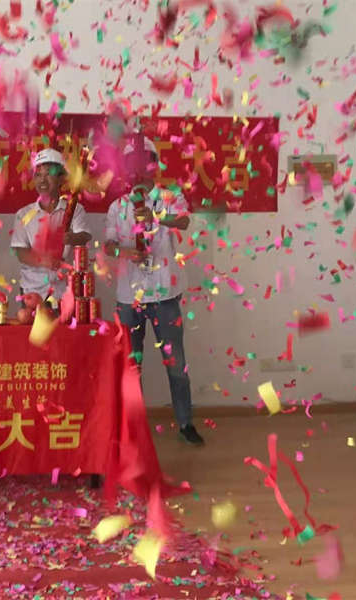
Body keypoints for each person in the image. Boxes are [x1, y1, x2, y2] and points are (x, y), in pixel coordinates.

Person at [103, 136, 204, 446]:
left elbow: (184, 221)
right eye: (130, 163)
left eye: (143, 162)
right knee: (131, 367)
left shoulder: (169, 196)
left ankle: (185, 423)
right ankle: (132, 429)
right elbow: (108, 245)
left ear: (153, 165)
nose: (136, 169)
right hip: (128, 298)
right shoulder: (118, 205)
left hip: (164, 295)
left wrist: (156, 217)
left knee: (176, 365)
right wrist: (125, 252)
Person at [11, 148, 92, 301]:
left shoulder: (74, 209)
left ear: (61, 179)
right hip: (32, 291)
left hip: (66, 292)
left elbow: (85, 236)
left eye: (48, 174)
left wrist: (71, 238)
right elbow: (20, 252)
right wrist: (44, 261)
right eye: (38, 175)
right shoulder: (23, 214)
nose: (42, 180)